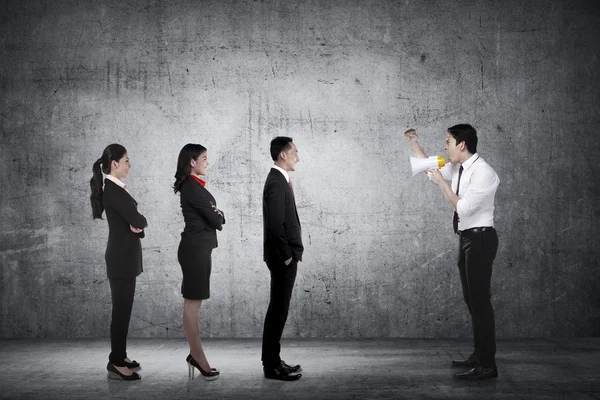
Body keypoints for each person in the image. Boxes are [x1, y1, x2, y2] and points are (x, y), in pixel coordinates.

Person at [405, 125, 500, 380]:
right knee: (472, 301)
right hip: (467, 239)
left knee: (480, 303)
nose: (444, 146)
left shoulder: (483, 172)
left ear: (461, 145)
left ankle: (487, 365)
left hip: (480, 240)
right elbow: (429, 167)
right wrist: (414, 142)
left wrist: (442, 186)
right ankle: (479, 356)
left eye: (447, 142)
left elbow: (464, 209)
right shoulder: (460, 167)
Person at [90, 143, 147, 381]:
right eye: (126, 161)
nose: (129, 166)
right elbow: (138, 219)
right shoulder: (114, 191)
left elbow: (134, 224)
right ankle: (115, 362)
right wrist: (138, 223)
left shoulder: (116, 190)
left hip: (124, 258)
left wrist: (136, 226)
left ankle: (121, 355)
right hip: (121, 260)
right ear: (114, 164)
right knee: (121, 311)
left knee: (124, 310)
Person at [173, 143, 224, 381]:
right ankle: (198, 356)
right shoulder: (191, 187)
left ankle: (196, 354)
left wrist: (216, 214)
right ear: (192, 161)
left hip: (199, 250)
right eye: (204, 158)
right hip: (194, 250)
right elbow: (215, 219)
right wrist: (216, 213)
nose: (207, 162)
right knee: (192, 306)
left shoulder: (195, 186)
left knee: (194, 304)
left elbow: (216, 215)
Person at [261, 136, 303, 381]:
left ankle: (274, 361)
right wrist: (287, 255)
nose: (298, 156)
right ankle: (271, 366)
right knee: (277, 310)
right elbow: (276, 224)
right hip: (281, 258)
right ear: (283, 155)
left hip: (284, 256)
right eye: (295, 152)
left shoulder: (280, 179)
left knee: (279, 309)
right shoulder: (276, 182)